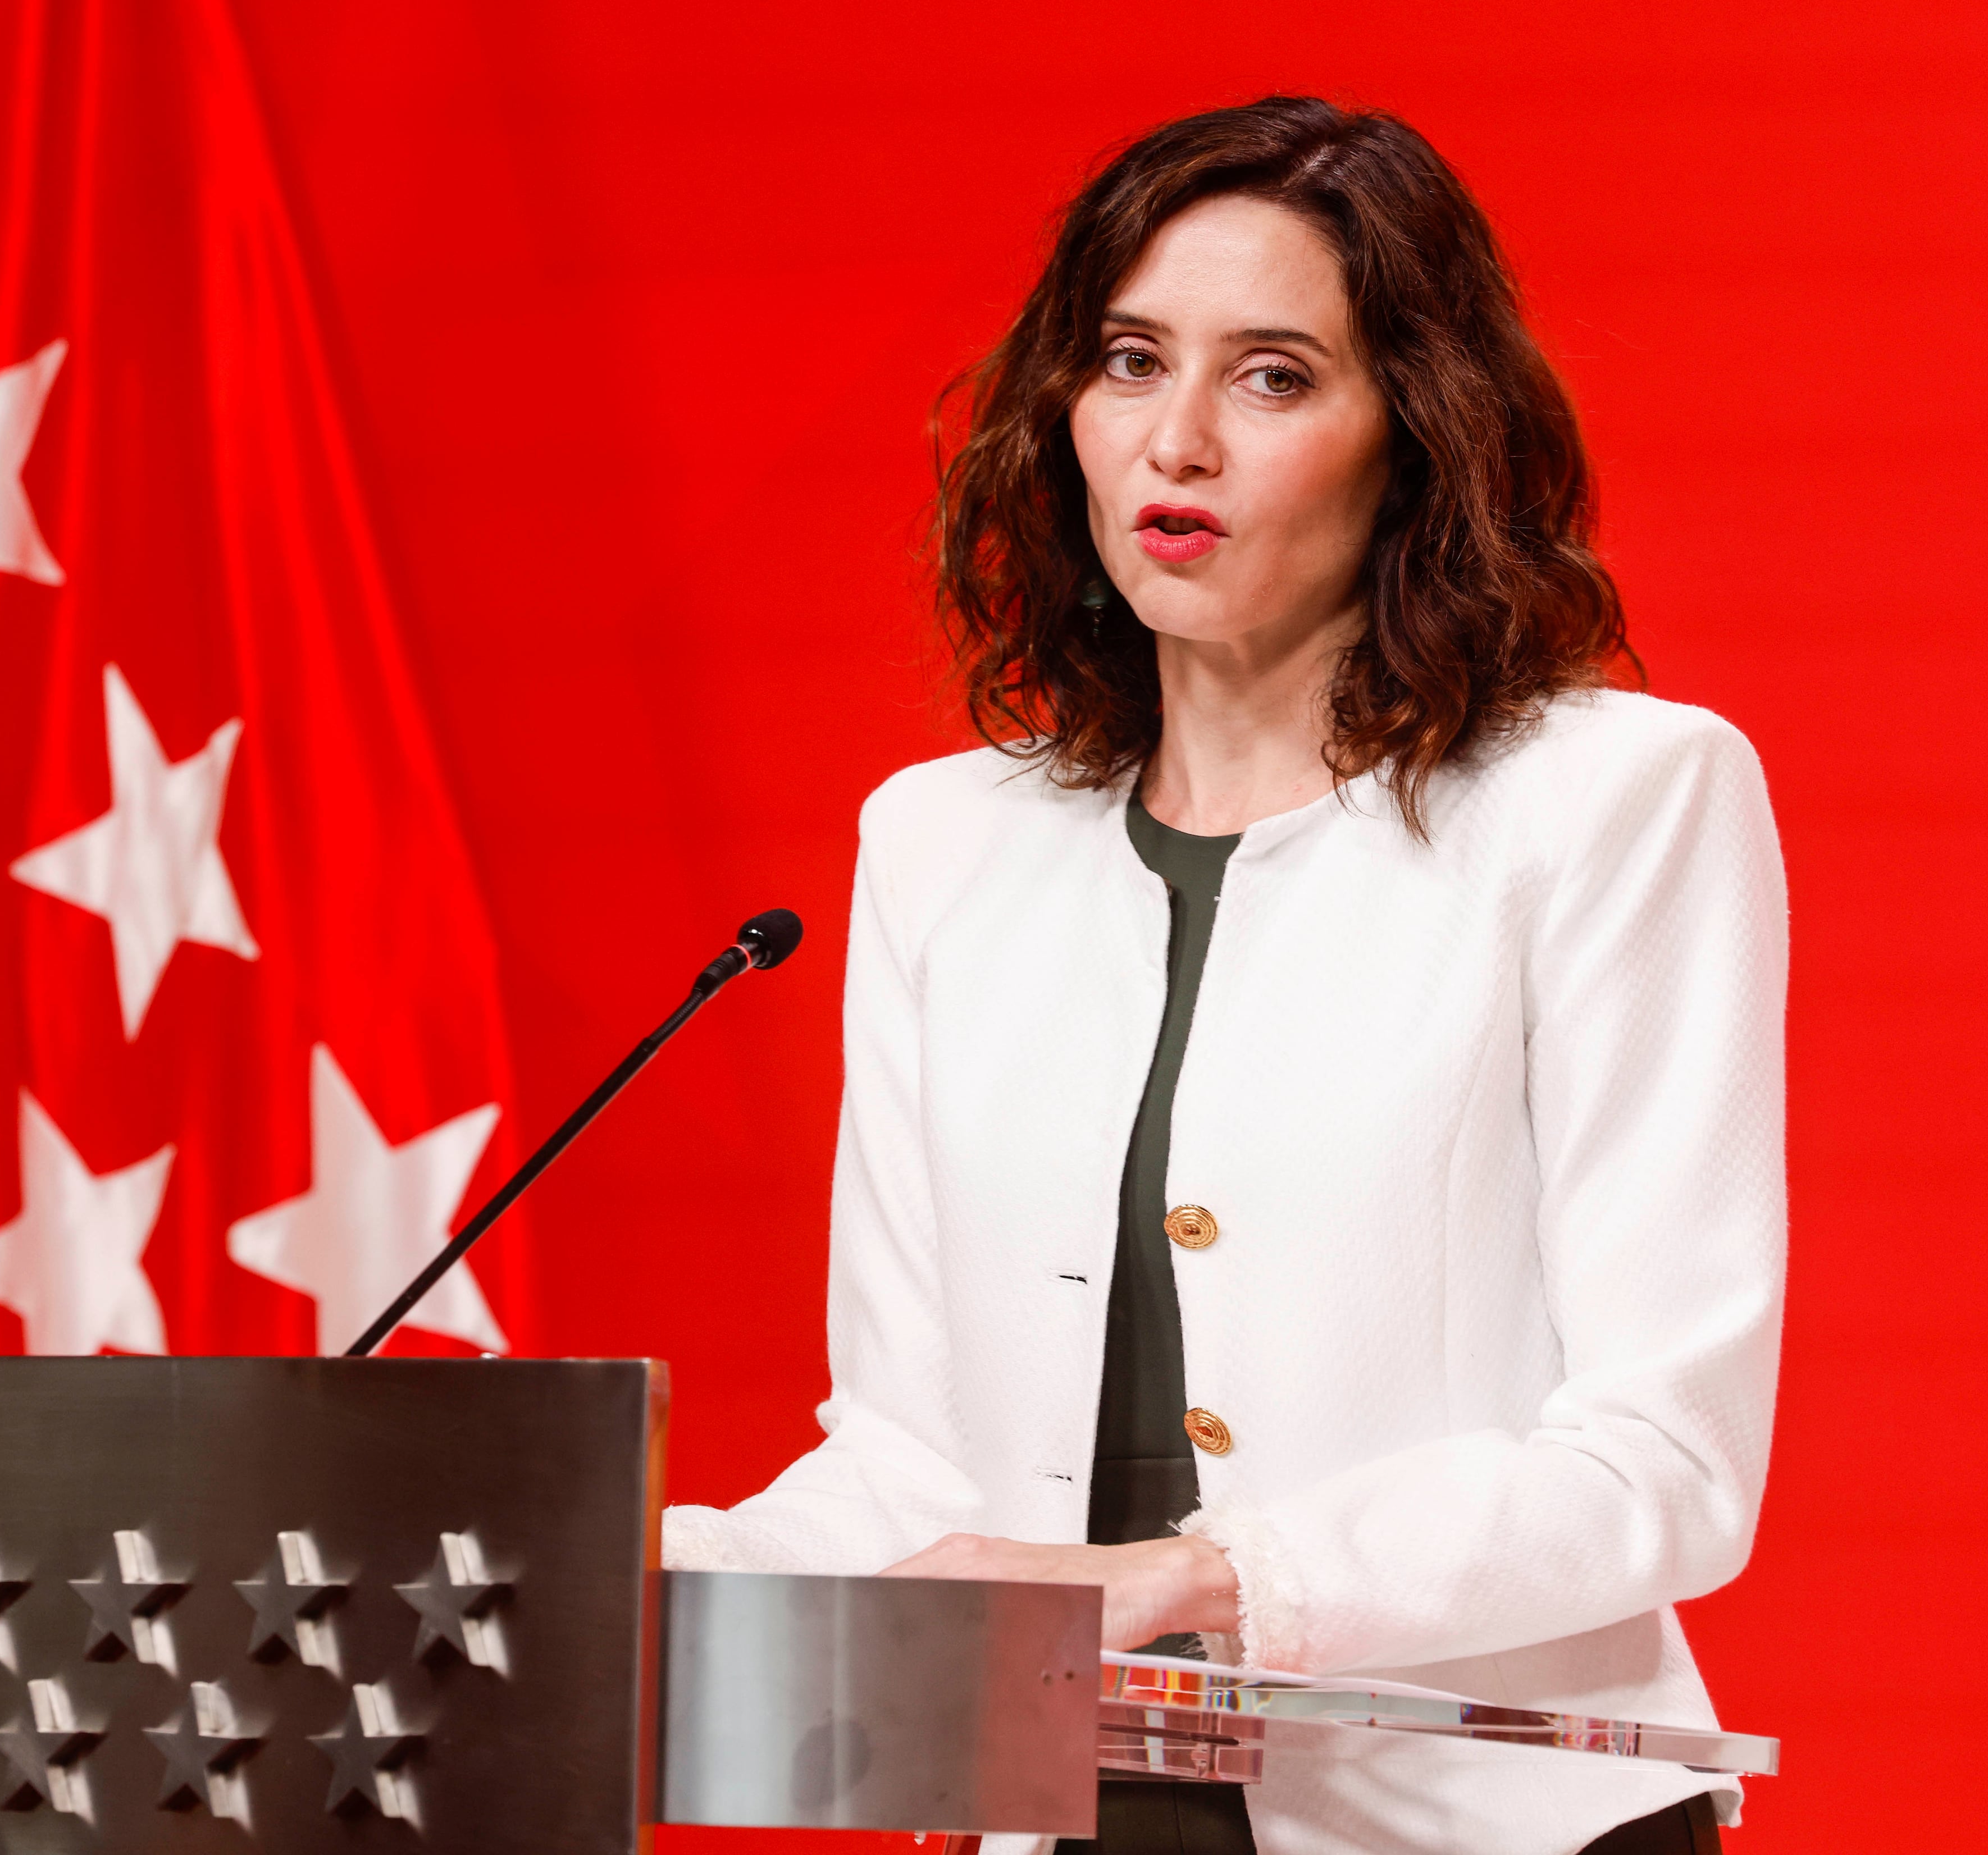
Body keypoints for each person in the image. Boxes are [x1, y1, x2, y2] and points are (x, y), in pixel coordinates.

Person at [663, 95, 1786, 1855]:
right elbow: (917, 1467)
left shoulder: (1613, 801)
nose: (1176, 442)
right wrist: (625, 1570)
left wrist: (1204, 1577)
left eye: (1273, 377)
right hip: (1065, 1815)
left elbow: (1666, 1462)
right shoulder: (944, 844)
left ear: (1416, 433)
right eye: (1131, 363)